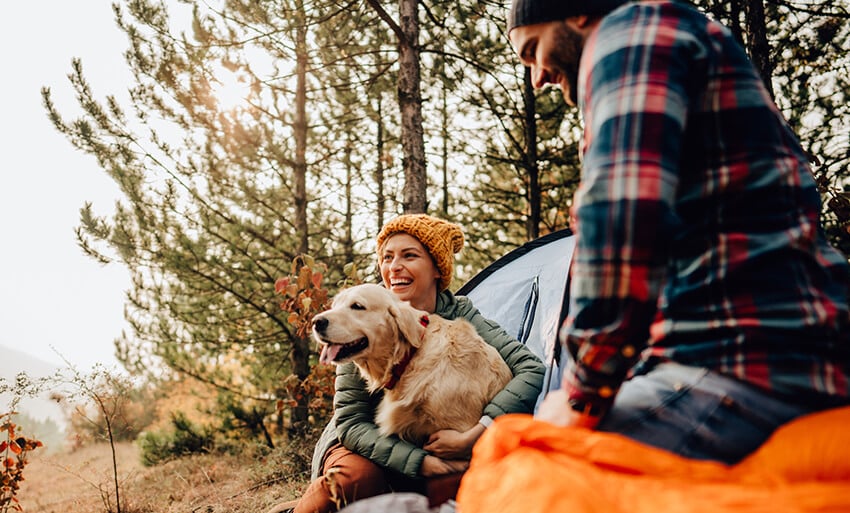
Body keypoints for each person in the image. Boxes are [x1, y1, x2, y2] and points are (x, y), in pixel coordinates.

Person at [507, 0, 850, 464]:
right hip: (785, 353)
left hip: (743, 365)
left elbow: (622, 217)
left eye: (533, 50)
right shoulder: (675, 37)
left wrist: (580, 395)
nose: (537, 77)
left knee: (528, 459)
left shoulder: (629, 34)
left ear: (579, 12)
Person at [291, 214, 545, 513]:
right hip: (369, 445)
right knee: (356, 479)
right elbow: (351, 422)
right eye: (387, 257)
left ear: (437, 268)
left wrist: (475, 434)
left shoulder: (462, 315)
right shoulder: (362, 317)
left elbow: (532, 369)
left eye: (409, 256)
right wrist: (420, 463)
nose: (394, 266)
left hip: (442, 442)